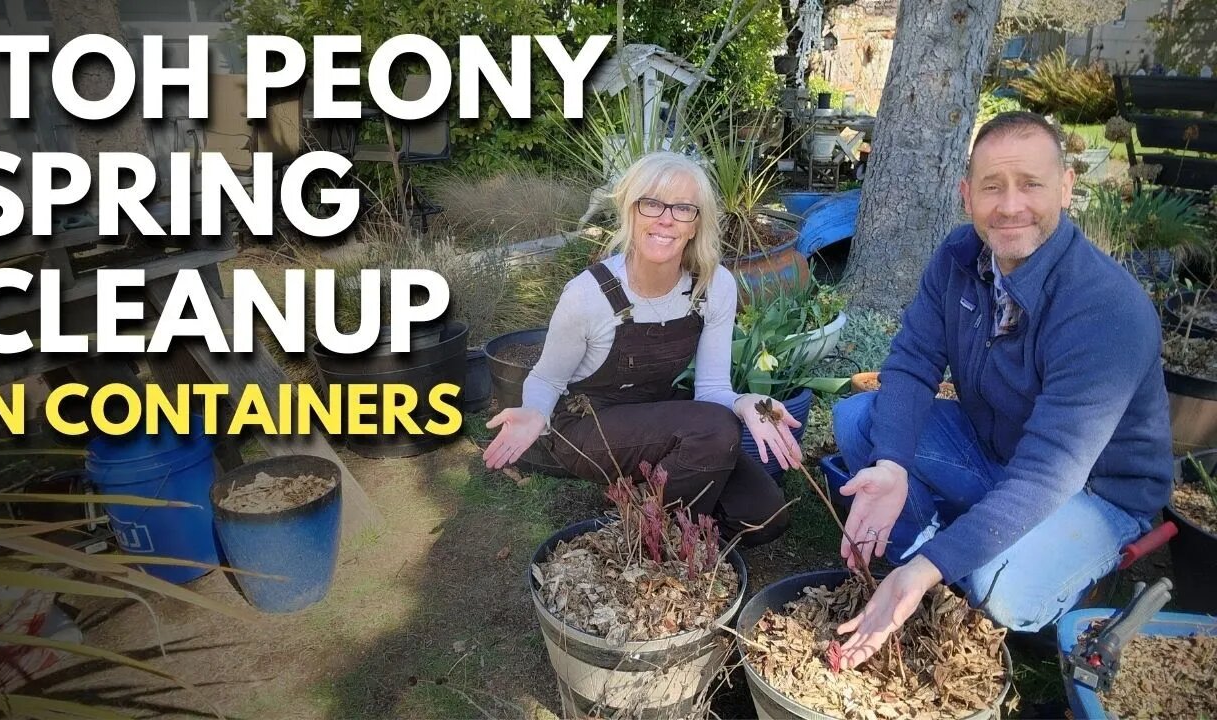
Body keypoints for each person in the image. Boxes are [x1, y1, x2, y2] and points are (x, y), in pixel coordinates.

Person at [828, 111, 1172, 668]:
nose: (1010, 206)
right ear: (967, 195)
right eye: (992, 186)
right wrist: (891, 465)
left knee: (1000, 587)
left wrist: (932, 565)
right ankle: (937, 553)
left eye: (1031, 184)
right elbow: (913, 363)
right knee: (860, 422)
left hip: (1096, 490)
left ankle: (981, 569)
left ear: (1065, 186)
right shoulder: (960, 257)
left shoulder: (1105, 308)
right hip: (995, 449)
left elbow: (1048, 472)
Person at [483, 151, 796, 545]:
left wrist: (745, 402)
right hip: (587, 425)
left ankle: (652, 505)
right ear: (630, 211)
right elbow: (546, 376)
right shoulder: (588, 294)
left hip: (657, 418)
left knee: (765, 516)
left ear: (697, 223)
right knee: (713, 430)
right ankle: (652, 540)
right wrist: (534, 412)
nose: (665, 219)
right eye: (651, 203)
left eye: (683, 208)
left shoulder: (714, 286)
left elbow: (712, 390)